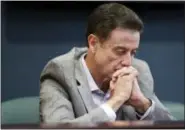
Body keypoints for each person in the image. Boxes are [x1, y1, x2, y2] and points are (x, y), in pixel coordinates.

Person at [40, 3, 175, 124]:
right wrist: (115, 102)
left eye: (133, 52)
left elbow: (173, 127)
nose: (128, 62)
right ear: (93, 43)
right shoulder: (60, 72)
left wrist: (142, 104)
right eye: (120, 51)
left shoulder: (138, 70)